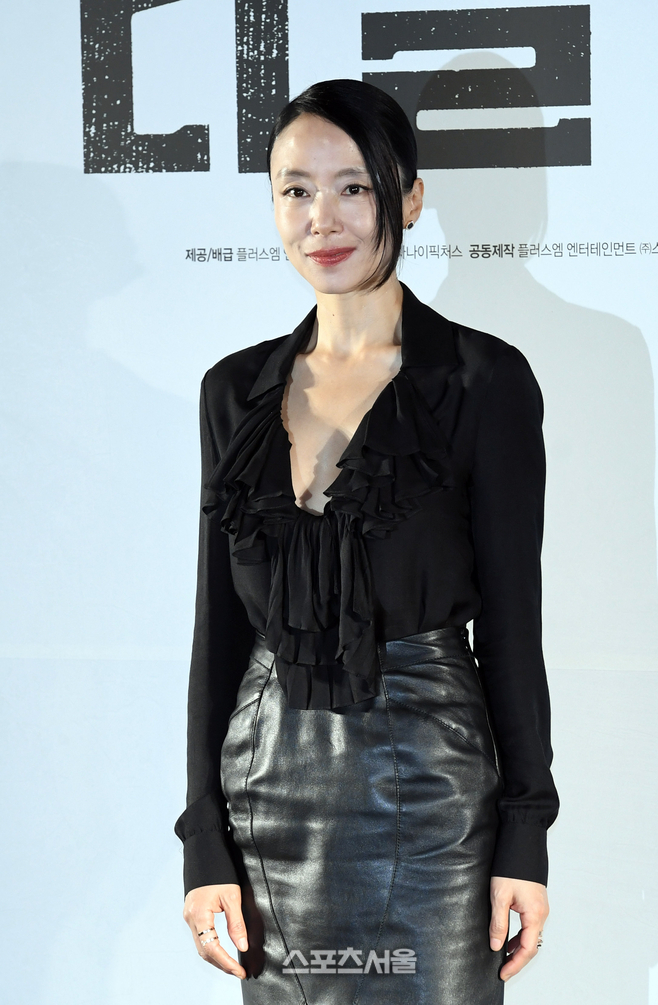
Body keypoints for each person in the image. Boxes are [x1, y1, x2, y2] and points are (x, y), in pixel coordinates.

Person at [175, 78, 559, 1005]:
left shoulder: (482, 381)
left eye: (354, 186)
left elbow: (514, 624)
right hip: (266, 791)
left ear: (410, 198)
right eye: (295, 190)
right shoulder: (233, 392)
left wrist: (525, 830)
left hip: (431, 791)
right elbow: (219, 632)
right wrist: (203, 840)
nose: (323, 218)